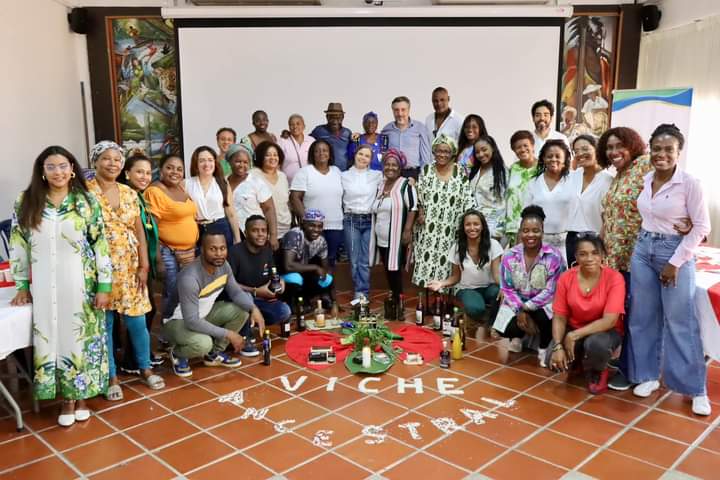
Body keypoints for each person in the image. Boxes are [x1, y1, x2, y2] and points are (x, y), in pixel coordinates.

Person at [10, 146, 112, 427]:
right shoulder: (26, 201)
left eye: (63, 166)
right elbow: (18, 244)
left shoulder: (86, 201)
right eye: (51, 167)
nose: (58, 172)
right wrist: (22, 285)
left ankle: (81, 398)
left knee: (80, 338)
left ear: (72, 169)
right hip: (45, 286)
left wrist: (104, 286)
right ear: (42, 171)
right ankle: (66, 400)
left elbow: (100, 244)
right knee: (52, 338)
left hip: (82, 284)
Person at [626, 124, 712, 415]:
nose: (661, 154)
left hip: (674, 252)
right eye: (657, 149)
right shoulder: (647, 178)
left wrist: (675, 262)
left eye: (668, 149)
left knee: (680, 320)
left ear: (679, 152)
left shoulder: (690, 183)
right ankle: (648, 376)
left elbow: (702, 227)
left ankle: (696, 389)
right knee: (643, 317)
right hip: (643, 249)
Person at [86, 141, 164, 401]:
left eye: (117, 159)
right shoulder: (85, 193)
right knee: (105, 324)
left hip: (130, 268)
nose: (113, 163)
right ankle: (111, 376)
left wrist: (144, 265)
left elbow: (139, 230)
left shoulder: (129, 192)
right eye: (106, 158)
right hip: (99, 270)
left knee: (137, 321)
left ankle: (145, 368)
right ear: (95, 162)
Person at [164, 228, 266, 377]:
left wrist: (254, 308)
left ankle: (214, 354)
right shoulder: (190, 278)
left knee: (241, 311)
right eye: (213, 249)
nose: (219, 253)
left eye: (222, 248)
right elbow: (192, 321)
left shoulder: (224, 266)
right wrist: (229, 334)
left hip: (203, 314)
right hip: (178, 321)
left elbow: (236, 292)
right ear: (202, 250)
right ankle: (178, 353)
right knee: (203, 343)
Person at [597, 127, 653, 391]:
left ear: (632, 144)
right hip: (616, 260)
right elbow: (611, 216)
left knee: (636, 317)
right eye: (609, 147)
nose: (614, 151)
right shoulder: (619, 174)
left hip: (637, 258)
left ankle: (633, 371)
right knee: (626, 314)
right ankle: (627, 362)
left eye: (619, 145)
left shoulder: (645, 165)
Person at [548, 234, 625, 394]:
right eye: (583, 254)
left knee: (596, 344)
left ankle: (599, 370)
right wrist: (557, 345)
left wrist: (573, 335)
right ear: (576, 257)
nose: (589, 258)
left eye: (595, 253)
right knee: (551, 356)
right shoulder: (566, 277)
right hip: (575, 327)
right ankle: (577, 360)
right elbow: (559, 316)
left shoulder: (615, 278)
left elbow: (610, 321)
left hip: (605, 332)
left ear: (603, 255)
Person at [493, 206, 565, 366]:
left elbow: (551, 291)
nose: (530, 235)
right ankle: (517, 336)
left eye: (535, 230)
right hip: (518, 304)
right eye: (525, 230)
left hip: (543, 305)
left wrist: (525, 309)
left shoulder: (554, 256)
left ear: (542, 232)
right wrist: (520, 310)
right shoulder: (509, 256)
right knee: (504, 327)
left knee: (544, 316)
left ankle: (543, 347)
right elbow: (507, 289)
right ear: (520, 232)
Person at [119, 153, 165, 372]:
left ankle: (142, 355)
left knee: (148, 310)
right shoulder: (125, 197)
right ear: (127, 173)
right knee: (141, 312)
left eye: (148, 173)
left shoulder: (139, 197)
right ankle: (133, 361)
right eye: (139, 172)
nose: (145, 176)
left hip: (145, 262)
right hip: (131, 264)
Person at [412, 134, 475, 288]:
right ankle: (425, 297)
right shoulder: (427, 169)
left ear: (452, 153)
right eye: (439, 151)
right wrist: (420, 212)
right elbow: (419, 194)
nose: (442, 154)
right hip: (428, 227)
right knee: (425, 263)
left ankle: (444, 298)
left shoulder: (460, 171)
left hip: (451, 228)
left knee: (448, 264)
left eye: (446, 151)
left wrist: (466, 224)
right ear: (434, 151)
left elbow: (468, 198)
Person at [144, 154, 199, 322]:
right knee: (173, 291)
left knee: (186, 290)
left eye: (179, 169)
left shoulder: (181, 189)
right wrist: (158, 259)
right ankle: (167, 326)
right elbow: (151, 228)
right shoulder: (155, 191)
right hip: (168, 251)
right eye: (169, 168)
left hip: (188, 252)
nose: (175, 172)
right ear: (161, 170)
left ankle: (180, 325)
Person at [427, 210, 503, 325]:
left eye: (476, 224)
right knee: (476, 309)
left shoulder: (493, 245)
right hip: (467, 289)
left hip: (489, 287)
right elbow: (456, 277)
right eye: (468, 224)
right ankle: (477, 316)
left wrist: (506, 289)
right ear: (463, 227)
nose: (472, 228)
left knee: (498, 293)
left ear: (482, 226)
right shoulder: (457, 248)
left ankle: (493, 325)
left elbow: (497, 274)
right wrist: (441, 283)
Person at [227, 216, 291, 345]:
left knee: (285, 311)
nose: (260, 234)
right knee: (246, 297)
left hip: (262, 300)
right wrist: (255, 291)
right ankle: (246, 337)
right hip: (240, 300)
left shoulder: (267, 251)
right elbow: (229, 284)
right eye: (255, 230)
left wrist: (280, 282)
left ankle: (254, 322)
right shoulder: (234, 252)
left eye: (263, 230)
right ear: (246, 233)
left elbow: (273, 274)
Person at [369, 149, 417, 302]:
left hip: (396, 237)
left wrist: (407, 230)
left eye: (394, 165)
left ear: (400, 167)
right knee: (388, 269)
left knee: (394, 269)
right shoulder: (380, 185)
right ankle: (395, 298)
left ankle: (398, 300)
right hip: (381, 237)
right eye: (387, 164)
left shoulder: (405, 185)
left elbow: (413, 207)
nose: (390, 167)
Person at [290, 140, 344, 268]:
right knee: (313, 261)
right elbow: (294, 198)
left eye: (325, 150)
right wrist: (306, 220)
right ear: (312, 154)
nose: (321, 153)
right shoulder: (304, 172)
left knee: (331, 260)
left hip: (335, 225)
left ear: (330, 154)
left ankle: (329, 281)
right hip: (313, 227)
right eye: (317, 151)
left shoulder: (337, 171)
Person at [341, 145, 383, 299]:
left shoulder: (377, 175)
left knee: (364, 260)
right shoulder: (343, 175)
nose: (363, 158)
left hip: (368, 221)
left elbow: (393, 180)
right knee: (354, 260)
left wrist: (410, 180)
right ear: (355, 155)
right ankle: (359, 289)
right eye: (360, 154)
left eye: (367, 156)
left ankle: (362, 293)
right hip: (351, 220)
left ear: (370, 160)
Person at [280, 209, 338, 318]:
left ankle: (313, 299)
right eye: (312, 225)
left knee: (326, 278)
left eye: (319, 226)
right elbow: (288, 266)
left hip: (303, 272)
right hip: (283, 275)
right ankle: (292, 304)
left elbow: (325, 268)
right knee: (295, 278)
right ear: (303, 225)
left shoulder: (320, 240)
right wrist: (315, 268)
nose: (316, 230)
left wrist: (333, 299)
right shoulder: (294, 235)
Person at [565, 135, 612, 266]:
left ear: (597, 149)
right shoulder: (572, 176)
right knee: (574, 276)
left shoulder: (608, 180)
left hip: (595, 240)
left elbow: (608, 217)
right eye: (576, 151)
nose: (580, 154)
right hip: (572, 239)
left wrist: (600, 245)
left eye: (585, 149)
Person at [523, 139, 575, 258]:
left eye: (558, 156)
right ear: (543, 159)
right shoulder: (533, 183)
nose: (553, 159)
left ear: (565, 159)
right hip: (538, 243)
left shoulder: (574, 180)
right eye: (549, 156)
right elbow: (525, 216)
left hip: (567, 245)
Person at [225, 143, 278, 248]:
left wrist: (273, 236)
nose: (242, 165)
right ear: (230, 161)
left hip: (254, 235)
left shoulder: (255, 182)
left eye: (245, 162)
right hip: (229, 234)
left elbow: (269, 209)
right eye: (238, 161)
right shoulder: (223, 182)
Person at [186, 146, 241, 247]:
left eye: (210, 160)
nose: (206, 164)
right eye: (202, 161)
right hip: (197, 229)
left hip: (221, 226)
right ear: (196, 164)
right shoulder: (186, 184)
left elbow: (231, 213)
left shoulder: (223, 183)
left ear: (215, 162)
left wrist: (237, 239)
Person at [381, 96, 432, 179]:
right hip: (392, 173)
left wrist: (422, 177)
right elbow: (383, 154)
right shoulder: (386, 129)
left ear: (408, 110)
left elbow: (426, 157)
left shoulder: (420, 128)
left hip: (413, 174)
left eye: (403, 110)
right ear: (392, 111)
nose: (400, 114)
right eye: (396, 110)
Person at [468, 135, 507, 240]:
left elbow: (503, 204)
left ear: (492, 148)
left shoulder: (502, 172)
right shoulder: (475, 170)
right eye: (477, 152)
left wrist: (497, 232)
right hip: (474, 225)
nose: (481, 154)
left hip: (493, 227)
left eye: (484, 150)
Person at [503, 130, 539, 246]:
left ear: (532, 146)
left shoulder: (543, 168)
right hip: (513, 226)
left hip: (534, 226)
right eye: (518, 147)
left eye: (525, 145)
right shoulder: (513, 168)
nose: (522, 149)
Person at [253, 141, 293, 242]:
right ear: (261, 156)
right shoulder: (253, 175)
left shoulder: (282, 176)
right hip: (263, 230)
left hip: (285, 228)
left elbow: (286, 202)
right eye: (268, 155)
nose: (272, 158)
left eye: (275, 155)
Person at [310, 102, 353, 171]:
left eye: (338, 117)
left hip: (344, 172)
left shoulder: (347, 133)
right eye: (331, 117)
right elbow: (306, 142)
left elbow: (355, 149)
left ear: (342, 117)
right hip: (325, 171)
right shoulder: (319, 131)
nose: (335, 121)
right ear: (327, 117)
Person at [278, 114, 315, 184]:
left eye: (298, 124)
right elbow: (277, 164)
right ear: (289, 127)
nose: (295, 126)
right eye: (292, 124)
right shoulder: (282, 142)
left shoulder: (311, 141)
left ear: (304, 126)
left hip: (309, 183)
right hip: (288, 184)